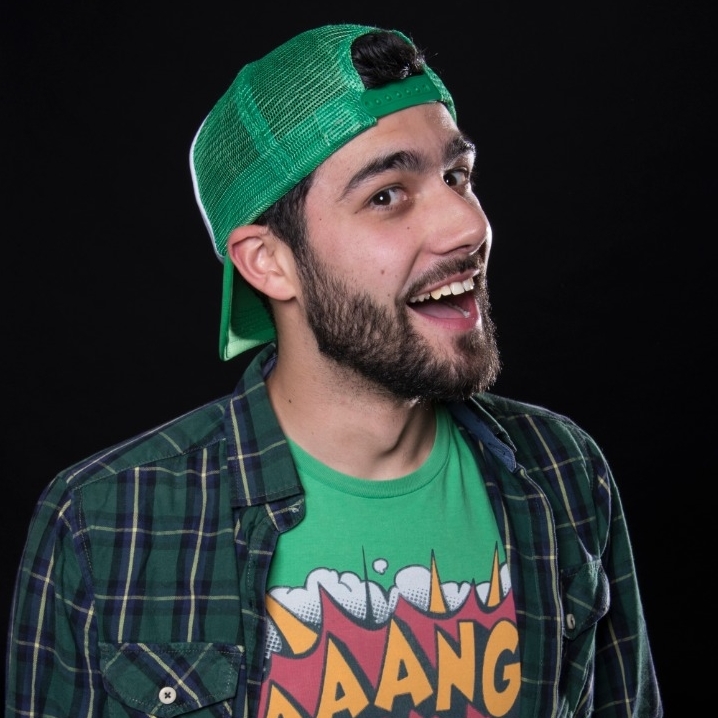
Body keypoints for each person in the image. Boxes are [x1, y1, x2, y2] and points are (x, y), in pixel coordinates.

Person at [5, 23, 662, 718]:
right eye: (386, 195)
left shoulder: (563, 472)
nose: (468, 228)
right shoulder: (107, 522)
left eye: (456, 177)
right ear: (269, 263)